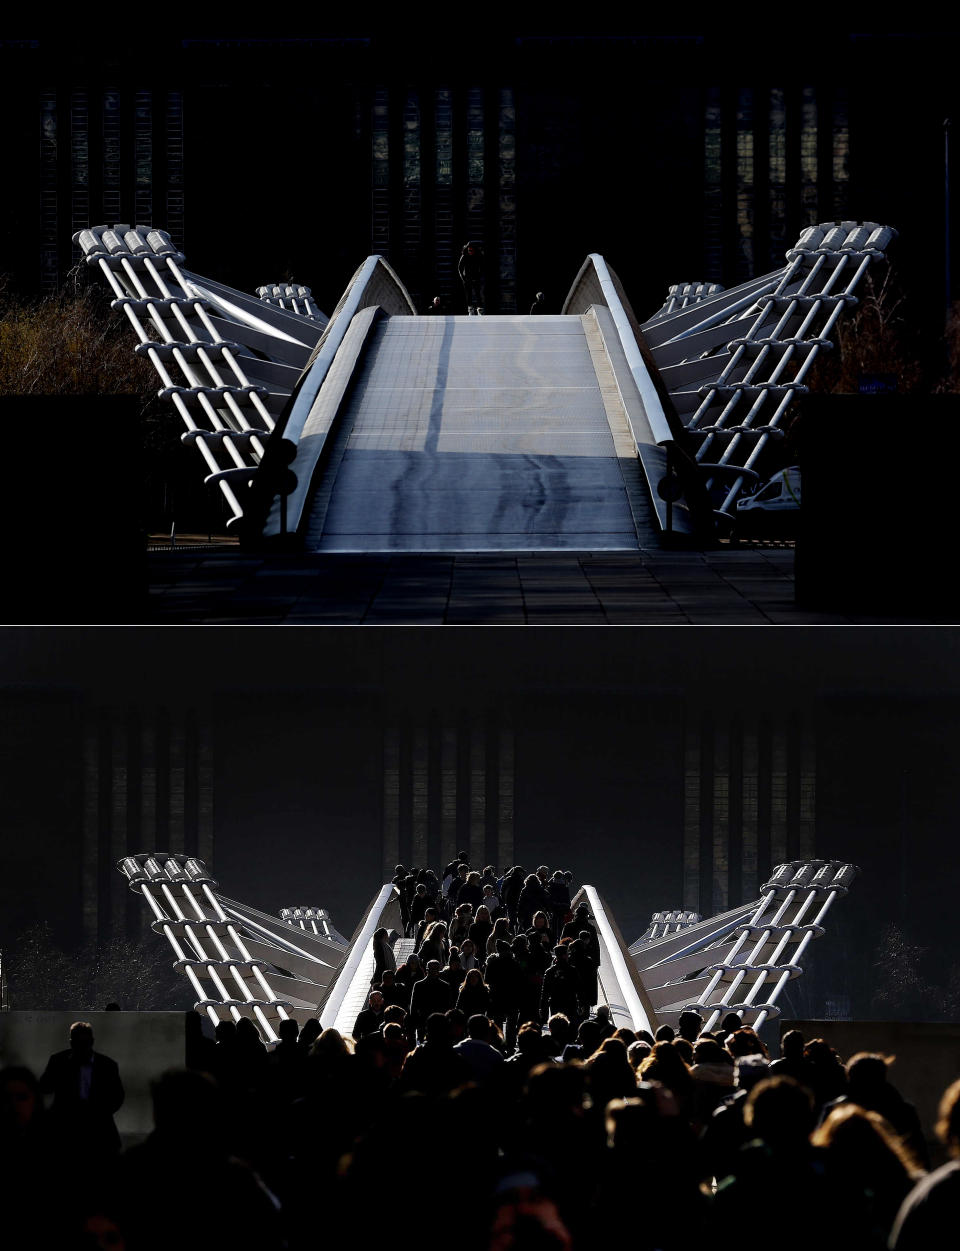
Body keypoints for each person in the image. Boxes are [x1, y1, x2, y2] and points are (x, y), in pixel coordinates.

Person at [39, 1021, 124, 1160]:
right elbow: (44, 1087)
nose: (82, 1049)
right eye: (79, 1044)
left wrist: (97, 1113)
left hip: (90, 1130)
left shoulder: (107, 1065)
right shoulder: (106, 1065)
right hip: (73, 1130)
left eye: (84, 1044)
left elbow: (118, 1096)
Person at [458, 241, 485, 314]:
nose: (470, 252)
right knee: (469, 294)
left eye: (471, 250)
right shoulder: (464, 256)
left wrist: (479, 276)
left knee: (478, 294)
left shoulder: (479, 256)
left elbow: (483, 267)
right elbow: (460, 268)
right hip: (467, 278)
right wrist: (463, 279)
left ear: (475, 249)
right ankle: (470, 309)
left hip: (476, 277)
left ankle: (480, 309)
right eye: (469, 250)